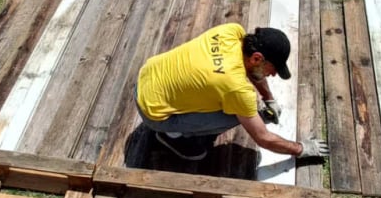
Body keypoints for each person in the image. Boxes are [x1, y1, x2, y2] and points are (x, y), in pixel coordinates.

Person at [136, 22, 330, 162]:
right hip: (153, 113)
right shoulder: (236, 88)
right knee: (237, 115)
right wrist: (302, 148)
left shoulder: (231, 31)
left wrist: (268, 98)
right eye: (271, 68)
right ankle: (173, 136)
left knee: (238, 104)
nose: (272, 75)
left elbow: (253, 72)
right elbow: (262, 137)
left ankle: (177, 123)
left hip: (147, 77)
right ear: (256, 58)